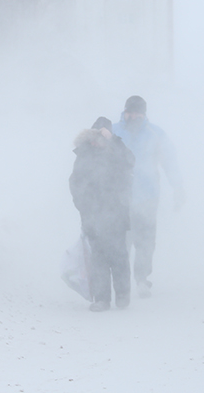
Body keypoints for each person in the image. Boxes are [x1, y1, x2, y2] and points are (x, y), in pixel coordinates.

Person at [113, 96, 184, 298]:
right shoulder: (114, 132)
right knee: (121, 242)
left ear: (144, 115)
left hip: (147, 197)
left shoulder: (155, 134)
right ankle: (121, 280)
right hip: (119, 197)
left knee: (145, 242)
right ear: (124, 112)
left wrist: (178, 186)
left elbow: (170, 161)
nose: (133, 116)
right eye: (130, 112)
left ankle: (142, 280)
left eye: (137, 113)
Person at [69, 116, 136, 312]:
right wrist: (82, 206)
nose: (98, 140)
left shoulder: (117, 151)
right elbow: (74, 183)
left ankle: (122, 295)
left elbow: (130, 162)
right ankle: (102, 299)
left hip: (117, 213)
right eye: (95, 136)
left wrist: (114, 140)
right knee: (98, 257)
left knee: (118, 254)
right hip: (92, 215)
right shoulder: (83, 155)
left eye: (103, 136)